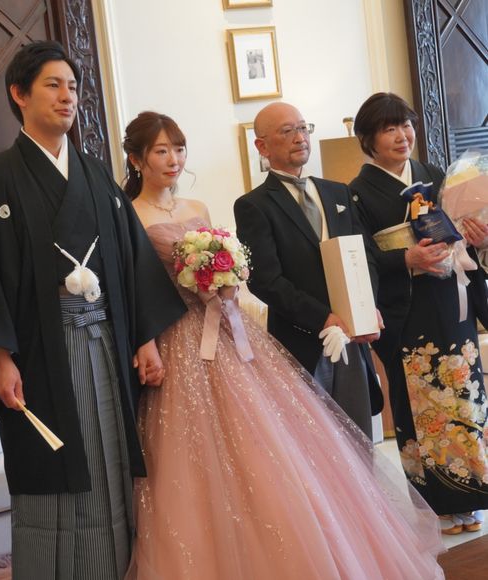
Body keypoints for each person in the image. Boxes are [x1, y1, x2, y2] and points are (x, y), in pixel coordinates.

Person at [122, 110, 444, 580]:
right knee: (191, 448)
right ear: (137, 159)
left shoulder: (198, 206)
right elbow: (134, 287)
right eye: (161, 151)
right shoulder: (130, 213)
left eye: (179, 149)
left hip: (227, 328)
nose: (173, 159)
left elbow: (342, 259)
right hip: (177, 336)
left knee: (278, 443)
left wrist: (226, 283)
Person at [0, 42, 185, 579]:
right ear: (19, 95)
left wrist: (145, 339)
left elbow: (129, 259)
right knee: (52, 465)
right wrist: (0, 358)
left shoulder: (94, 174)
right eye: (53, 85)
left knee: (109, 458)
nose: (68, 97)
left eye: (73, 86)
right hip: (39, 351)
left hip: (105, 341)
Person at [349, 92, 488, 534]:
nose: (401, 135)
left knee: (465, 395)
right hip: (408, 310)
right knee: (421, 403)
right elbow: (361, 257)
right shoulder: (356, 194)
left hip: (451, 299)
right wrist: (405, 260)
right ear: (368, 139)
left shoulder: (435, 175)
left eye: (405, 125)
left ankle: (474, 494)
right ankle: (437, 505)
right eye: (388, 128)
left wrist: (476, 236)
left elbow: (462, 234)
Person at [234, 102, 382, 439]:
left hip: (353, 336)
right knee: (316, 443)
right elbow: (265, 280)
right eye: (287, 131)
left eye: (303, 128)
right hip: (301, 341)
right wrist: (323, 318)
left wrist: (367, 307)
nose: (300, 137)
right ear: (262, 146)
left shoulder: (338, 192)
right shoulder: (254, 205)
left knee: (360, 439)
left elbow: (365, 256)